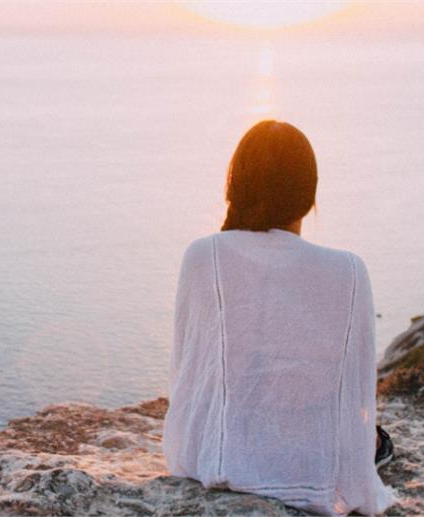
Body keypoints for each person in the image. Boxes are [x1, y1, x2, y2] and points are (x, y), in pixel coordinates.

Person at [162, 120, 398, 515]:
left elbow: (187, 377)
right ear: (308, 196)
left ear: (235, 186)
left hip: (220, 458)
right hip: (311, 462)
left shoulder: (203, 257)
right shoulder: (350, 271)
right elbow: (356, 389)